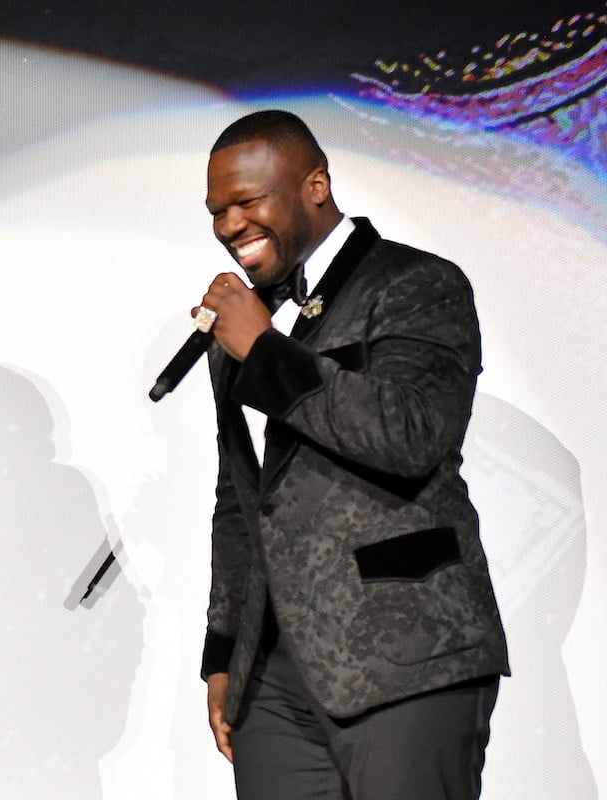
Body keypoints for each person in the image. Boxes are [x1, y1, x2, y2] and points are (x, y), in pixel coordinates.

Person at [194, 110, 509, 800]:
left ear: (315, 185)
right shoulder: (250, 322)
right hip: (272, 674)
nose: (229, 225)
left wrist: (266, 353)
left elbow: (412, 434)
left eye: (247, 202)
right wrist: (224, 651)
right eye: (217, 211)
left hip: (408, 655)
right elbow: (239, 498)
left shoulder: (416, 284)